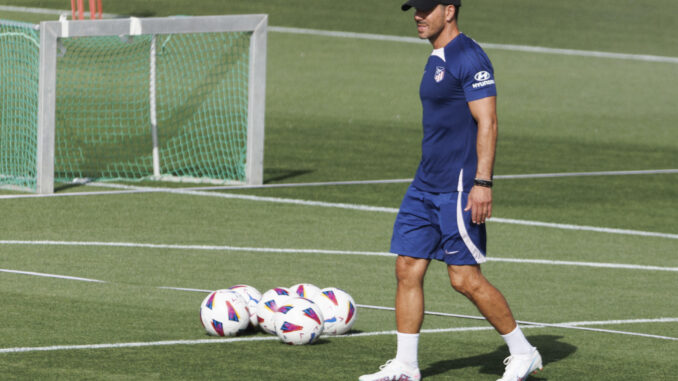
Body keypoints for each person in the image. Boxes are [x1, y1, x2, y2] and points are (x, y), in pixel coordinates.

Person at [358, 1, 543, 380]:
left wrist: (483, 183)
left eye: (427, 9)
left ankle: (524, 352)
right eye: (415, 9)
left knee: (463, 278)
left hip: (458, 187)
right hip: (424, 184)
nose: (418, 16)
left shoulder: (470, 58)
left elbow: (488, 122)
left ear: (450, 10)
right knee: (407, 266)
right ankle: (406, 365)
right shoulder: (436, 57)